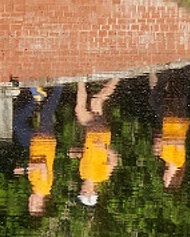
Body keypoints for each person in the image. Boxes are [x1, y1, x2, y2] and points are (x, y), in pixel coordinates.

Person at [13, 82, 64, 216]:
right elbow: (42, 166)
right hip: (44, 142)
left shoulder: (36, 186)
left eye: (30, 205)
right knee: (46, 113)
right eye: (33, 205)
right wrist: (25, 169)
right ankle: (59, 86)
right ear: (40, 203)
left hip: (36, 143)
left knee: (19, 123)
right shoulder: (43, 187)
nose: (30, 202)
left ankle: (39, 97)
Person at [69, 78, 121, 208]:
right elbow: (114, 160)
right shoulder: (102, 176)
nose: (82, 189)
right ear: (93, 192)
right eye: (84, 192)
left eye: (82, 192)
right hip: (101, 135)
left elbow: (87, 154)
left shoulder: (82, 174)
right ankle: (115, 78)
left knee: (91, 104)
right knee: (92, 104)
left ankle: (81, 80)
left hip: (90, 135)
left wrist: (76, 153)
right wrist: (105, 148)